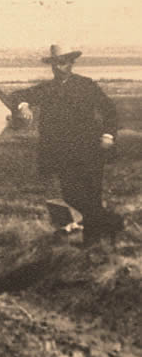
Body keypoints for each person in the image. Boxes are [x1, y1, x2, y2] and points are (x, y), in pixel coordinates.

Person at [11, 44, 123, 246]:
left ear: (71, 63)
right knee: (71, 196)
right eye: (55, 63)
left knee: (91, 197)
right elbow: (17, 96)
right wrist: (24, 106)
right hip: (62, 156)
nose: (58, 67)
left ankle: (92, 245)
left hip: (90, 152)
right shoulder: (47, 89)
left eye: (62, 62)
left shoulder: (86, 85)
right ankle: (112, 223)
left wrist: (108, 135)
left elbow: (110, 110)